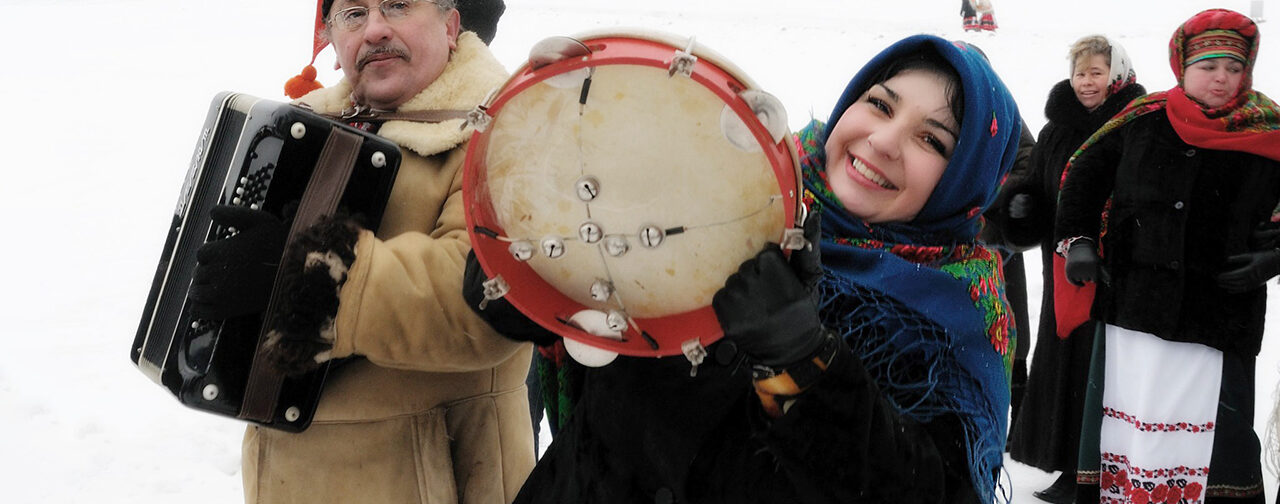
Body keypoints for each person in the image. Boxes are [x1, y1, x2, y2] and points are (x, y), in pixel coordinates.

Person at [467, 34, 1022, 503]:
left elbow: (923, 492)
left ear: (967, 180)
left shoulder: (955, 316)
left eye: (932, 139)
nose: (883, 141)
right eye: (880, 104)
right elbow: (572, 286)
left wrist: (803, 361)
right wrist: (529, 251)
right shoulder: (725, 180)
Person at [190, 1, 537, 502]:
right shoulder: (302, 128)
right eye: (353, 13)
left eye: (397, 5)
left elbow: (483, 302)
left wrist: (301, 277)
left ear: (451, 25)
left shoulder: (508, 132)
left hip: (436, 480)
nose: (374, 30)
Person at [1055, 9, 1280, 504]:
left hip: (1220, 318)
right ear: (1183, 67)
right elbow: (1081, 178)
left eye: (1234, 68)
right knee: (1132, 435)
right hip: (1134, 311)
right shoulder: (1141, 120)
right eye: (1209, 66)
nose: (1222, 78)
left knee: (1216, 448)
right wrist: (1081, 241)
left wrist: (1275, 256)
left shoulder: (1269, 131)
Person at [1000, 34, 1147, 504]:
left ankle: (1104, 466)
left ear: (1117, 75)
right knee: (1065, 362)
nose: (1087, 83)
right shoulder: (1055, 132)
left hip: (1115, 269)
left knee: (1103, 364)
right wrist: (1020, 205)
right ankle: (1071, 465)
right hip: (1062, 267)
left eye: (1096, 73)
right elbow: (1039, 189)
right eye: (1080, 73)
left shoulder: (1134, 127)